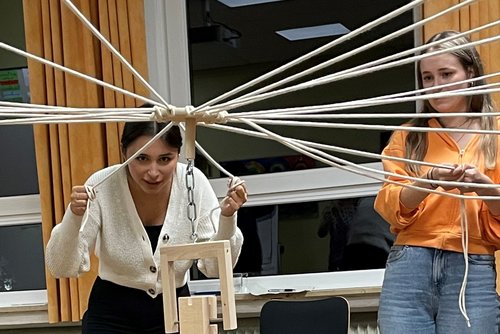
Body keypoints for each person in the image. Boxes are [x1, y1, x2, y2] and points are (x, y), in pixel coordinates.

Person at [45, 121, 247, 333]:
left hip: (176, 311)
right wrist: (74, 216)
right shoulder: (103, 183)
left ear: (178, 154)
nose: (153, 172)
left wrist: (227, 217)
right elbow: (61, 266)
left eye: (165, 159)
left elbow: (215, 267)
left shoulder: (193, 182)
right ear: (124, 152)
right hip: (111, 313)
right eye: (141, 158)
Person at [374, 30, 500, 334]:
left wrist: (484, 187)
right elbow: (391, 206)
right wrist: (429, 180)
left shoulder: (495, 134)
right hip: (409, 264)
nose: (436, 86)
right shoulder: (408, 135)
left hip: (472, 267)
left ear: (470, 72)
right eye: (428, 78)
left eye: (446, 74)